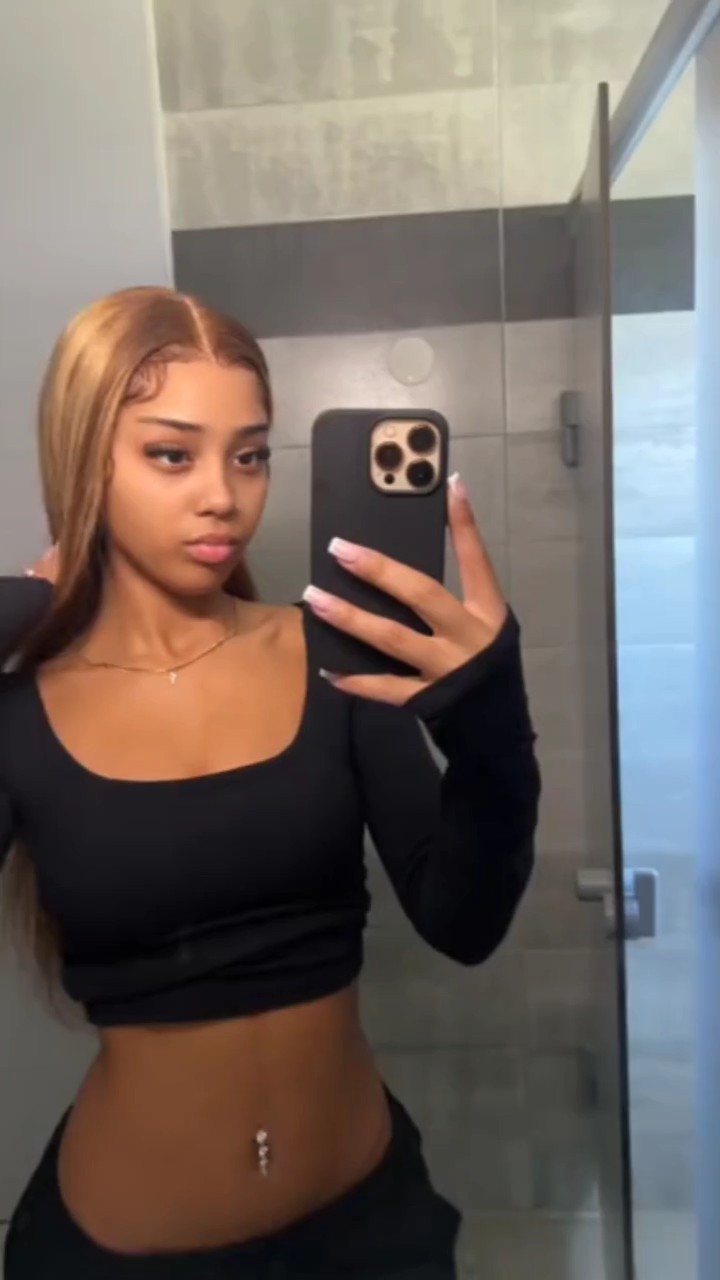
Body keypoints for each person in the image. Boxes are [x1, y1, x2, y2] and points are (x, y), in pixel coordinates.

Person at [0, 286, 540, 1279]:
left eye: (249, 455)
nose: (225, 495)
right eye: (173, 454)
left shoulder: (334, 658)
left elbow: (465, 922)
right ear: (84, 459)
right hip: (124, 1258)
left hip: (373, 1232)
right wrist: (19, 606)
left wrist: (492, 731)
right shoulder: (21, 710)